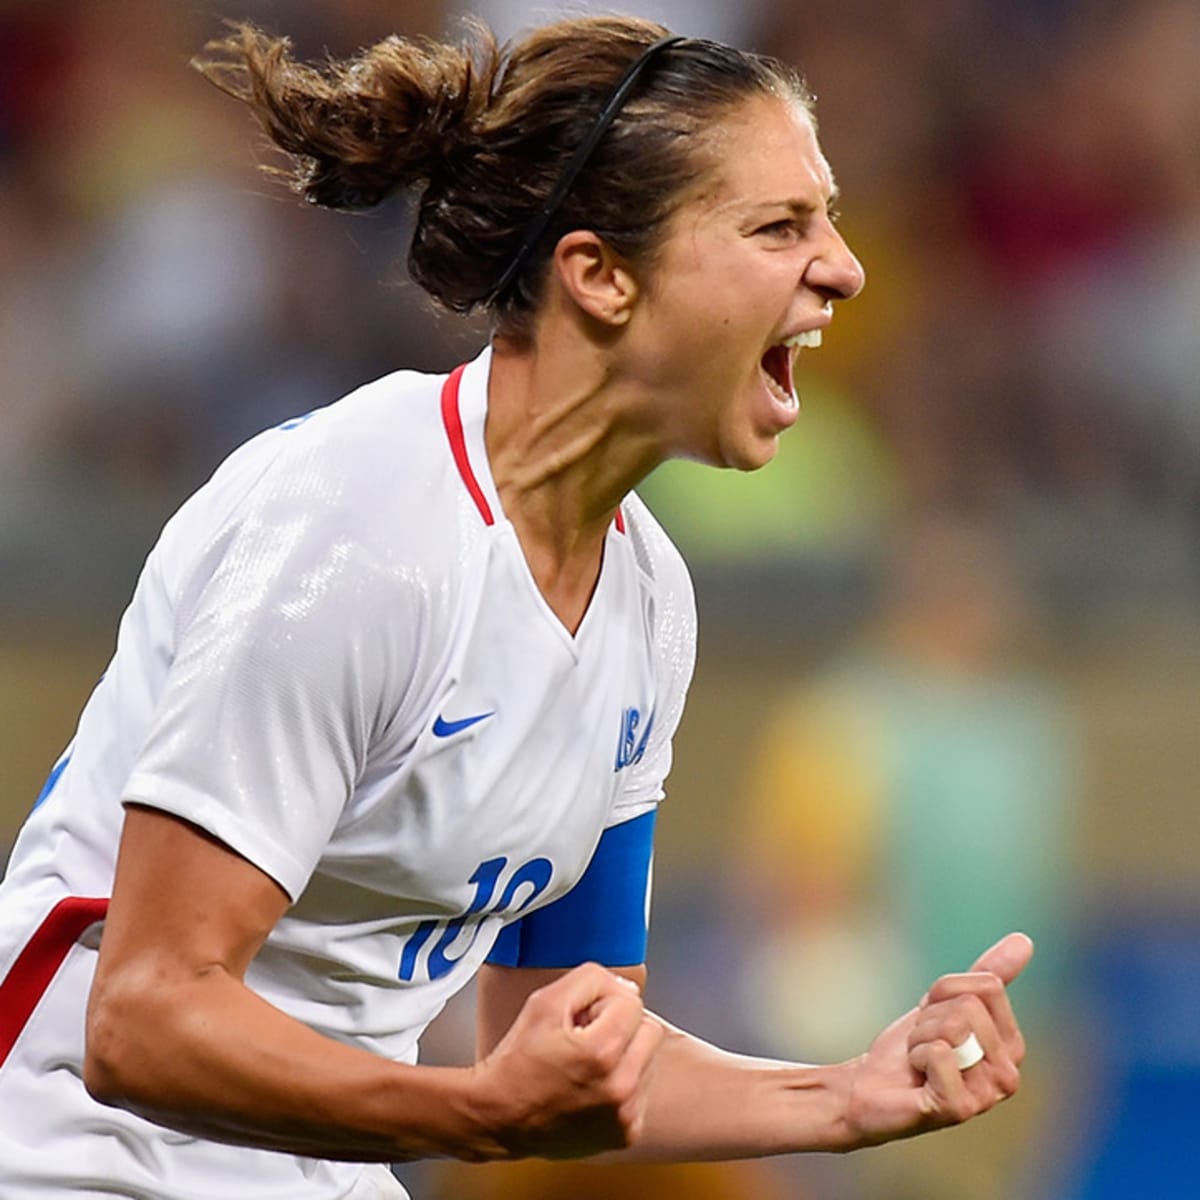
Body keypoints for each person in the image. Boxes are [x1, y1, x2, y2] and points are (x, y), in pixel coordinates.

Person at [0, 14, 1032, 1199]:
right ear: (600, 276)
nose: (845, 266)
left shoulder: (647, 602)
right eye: (779, 226)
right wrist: (473, 1113)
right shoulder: (356, 527)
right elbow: (141, 1020)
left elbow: (561, 1047)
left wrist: (846, 1092)